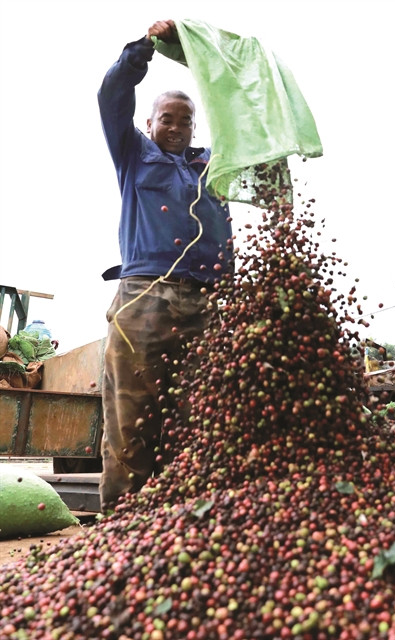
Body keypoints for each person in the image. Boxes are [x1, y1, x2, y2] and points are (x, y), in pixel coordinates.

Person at [97, 20, 234, 512]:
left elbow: (247, 124)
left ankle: (184, 520)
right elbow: (112, 93)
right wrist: (144, 50)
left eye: (185, 120)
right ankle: (122, 525)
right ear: (150, 123)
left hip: (212, 304)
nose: (175, 127)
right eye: (167, 119)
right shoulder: (134, 155)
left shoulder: (213, 167)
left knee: (200, 418)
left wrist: (220, 61)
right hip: (145, 299)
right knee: (132, 419)